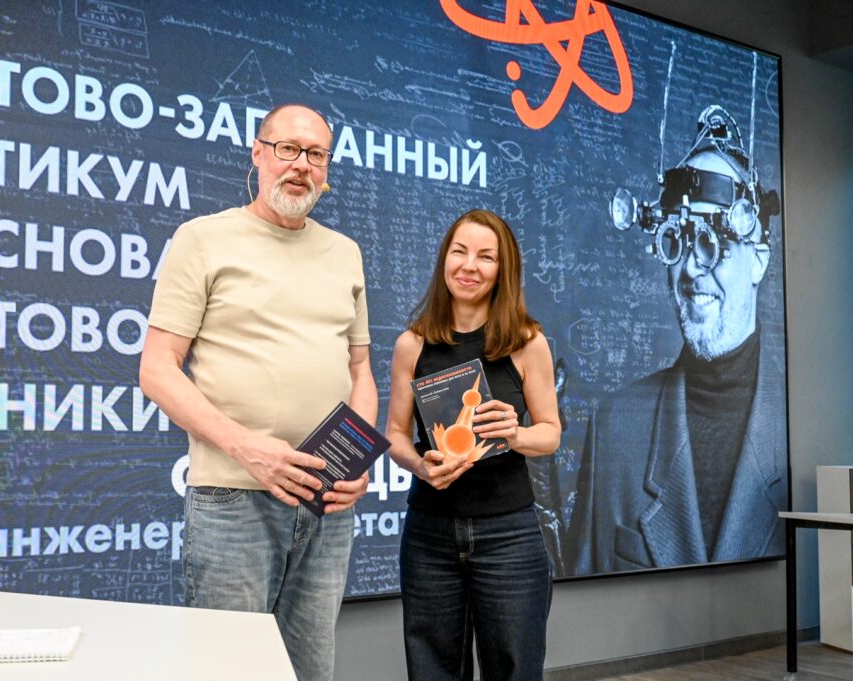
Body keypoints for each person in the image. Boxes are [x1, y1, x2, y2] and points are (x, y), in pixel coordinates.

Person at [139, 103, 377, 681]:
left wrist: (359, 459)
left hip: (326, 504)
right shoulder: (202, 239)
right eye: (287, 149)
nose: (301, 165)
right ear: (258, 153)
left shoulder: (345, 252)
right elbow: (157, 369)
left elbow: (361, 370)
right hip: (233, 500)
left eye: (316, 154)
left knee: (309, 670)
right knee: (231, 671)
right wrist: (247, 448)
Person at [567, 105, 786, 575]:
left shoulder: (802, 425)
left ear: (758, 259)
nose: (690, 268)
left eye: (713, 243)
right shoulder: (615, 430)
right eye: (679, 242)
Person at [386, 209, 560, 681]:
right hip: (429, 534)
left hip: (509, 533)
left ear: (503, 270)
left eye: (486, 257)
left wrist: (516, 434)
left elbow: (550, 432)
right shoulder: (412, 344)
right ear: (444, 259)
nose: (469, 265)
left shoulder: (527, 343)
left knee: (515, 668)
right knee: (433, 669)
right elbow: (395, 434)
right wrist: (419, 465)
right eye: (459, 252)